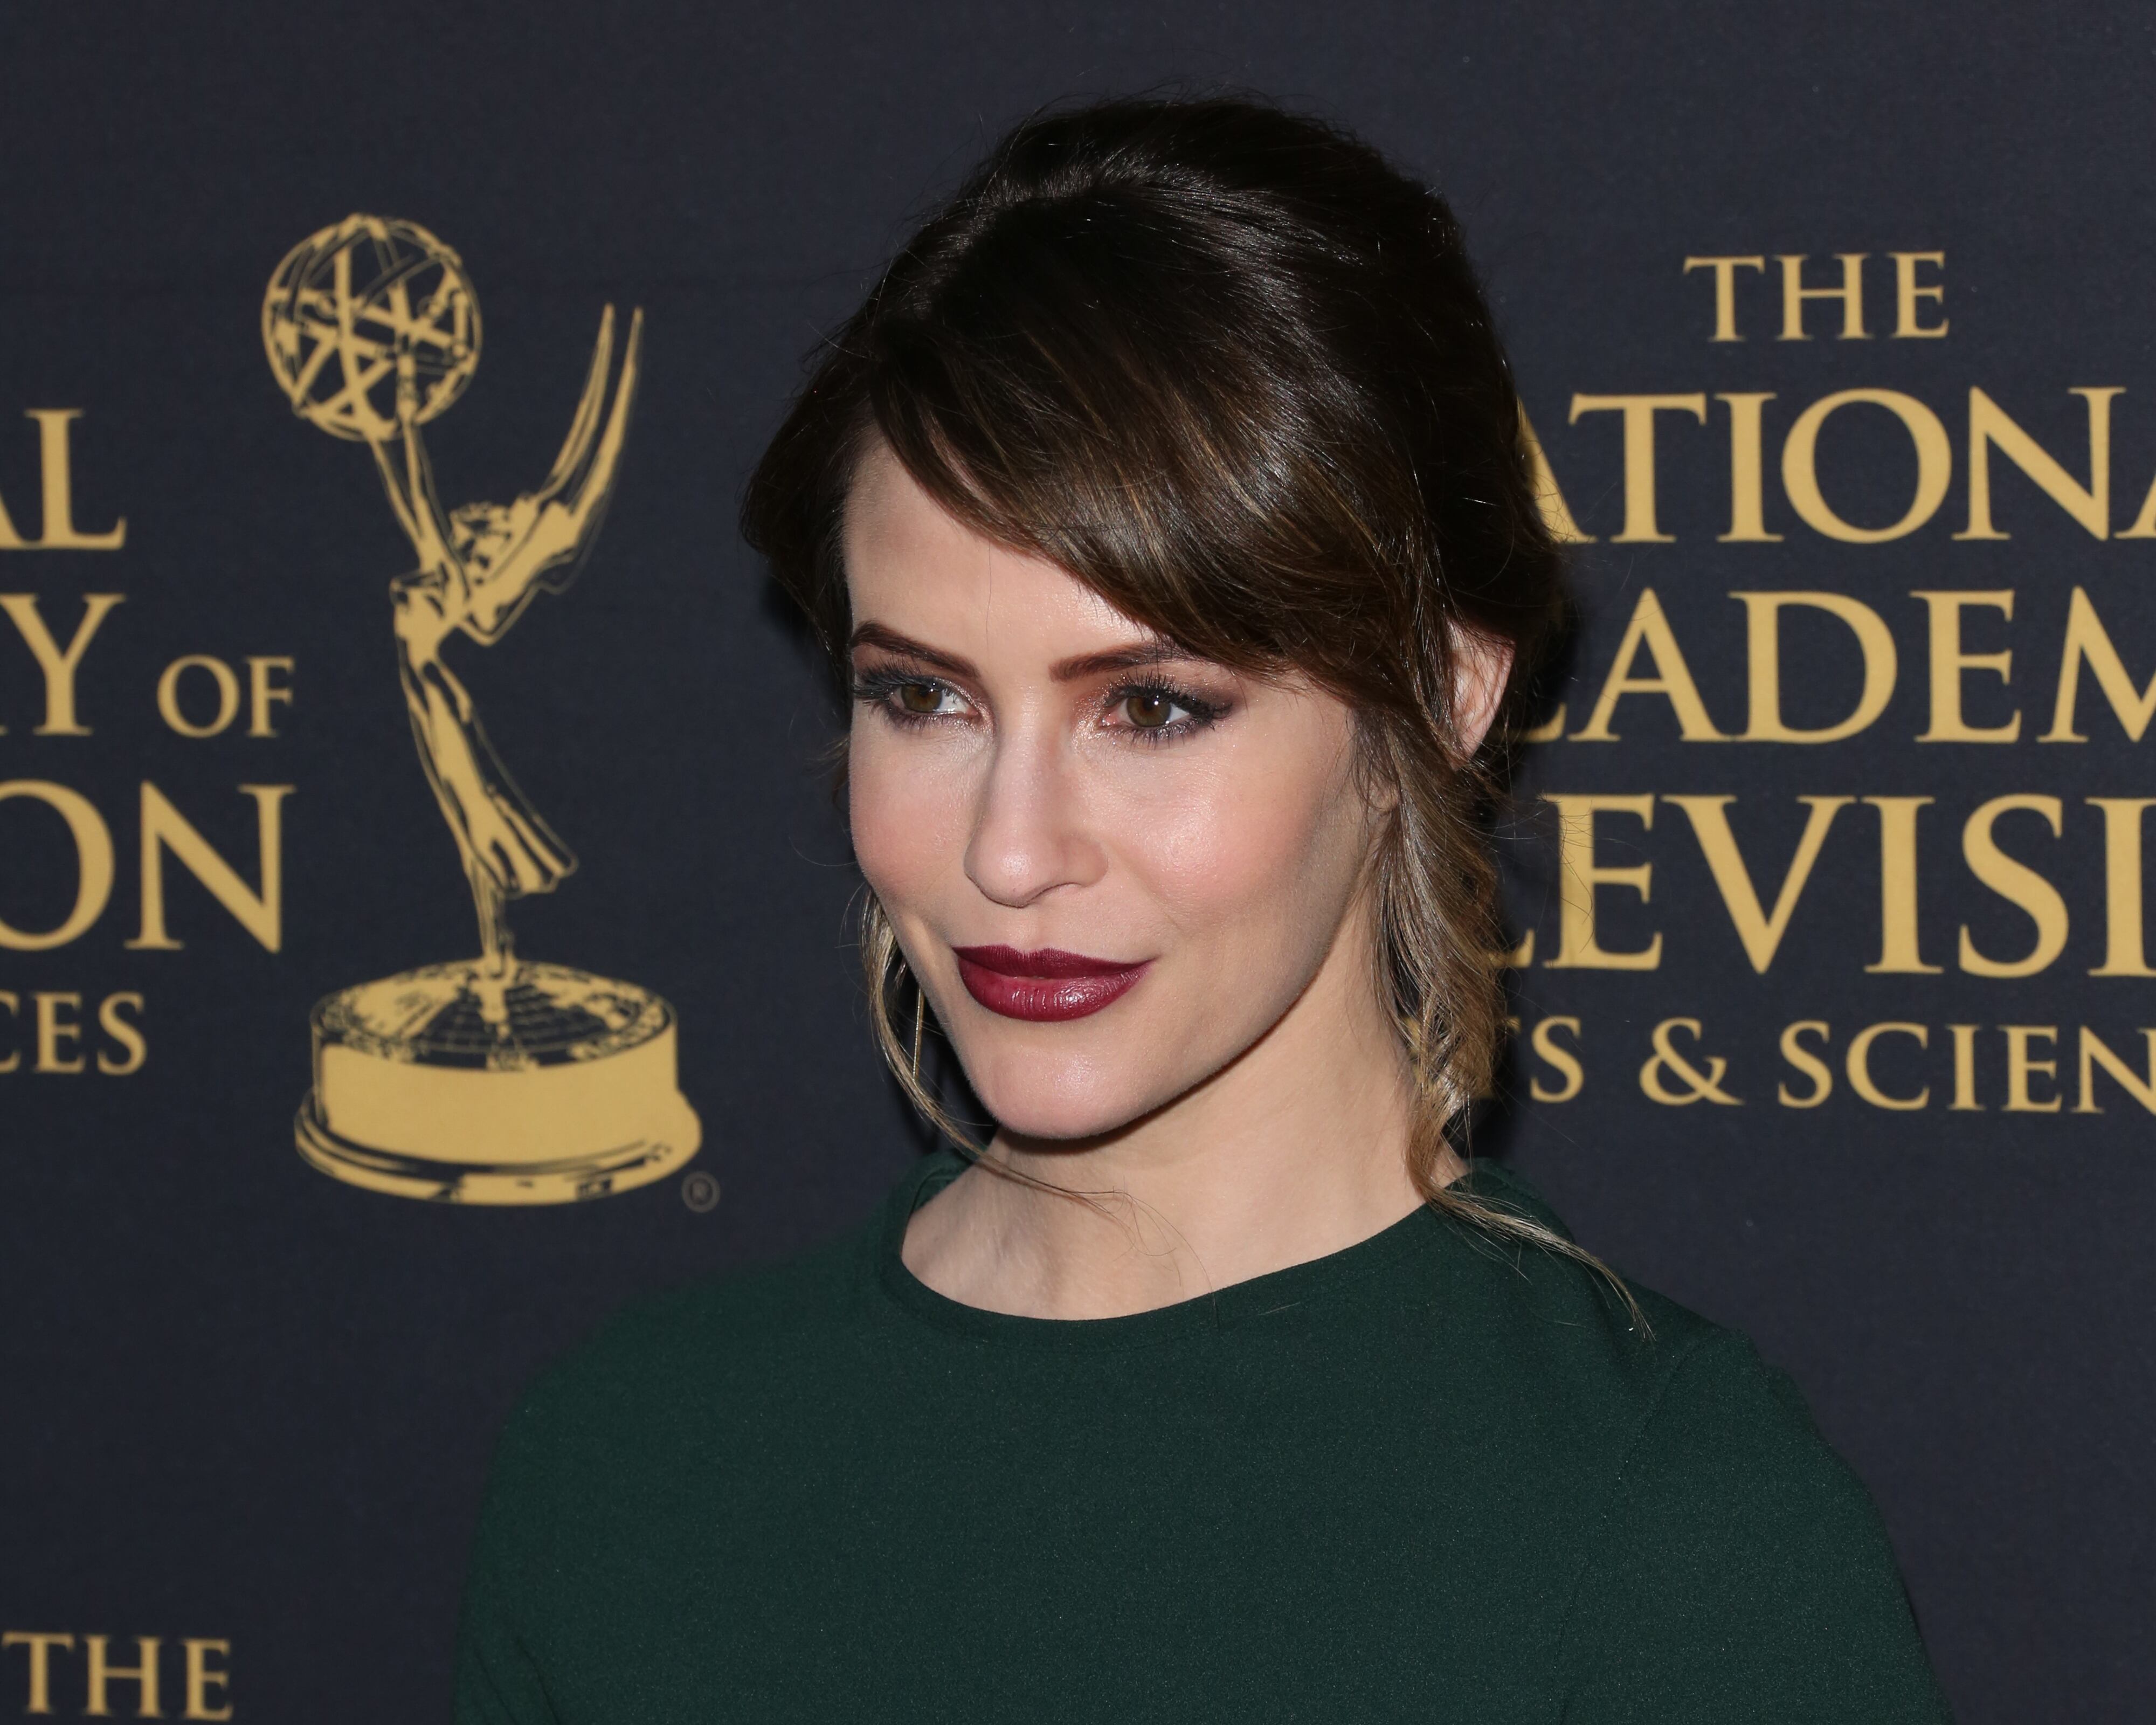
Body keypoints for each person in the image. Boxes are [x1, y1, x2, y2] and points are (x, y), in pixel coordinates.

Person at [451, 96, 1952, 1722]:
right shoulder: (628, 1472)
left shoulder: (1671, 1532)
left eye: (1153, 707)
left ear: (1439, 699)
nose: (1010, 853)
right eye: (925, 701)